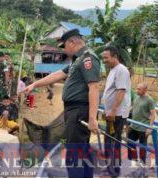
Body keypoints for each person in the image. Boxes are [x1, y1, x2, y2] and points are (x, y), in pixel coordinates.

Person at [25, 29, 100, 178]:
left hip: (79, 111)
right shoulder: (76, 61)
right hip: (73, 111)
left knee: (74, 153)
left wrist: (92, 118)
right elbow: (58, 74)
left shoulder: (88, 58)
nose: (64, 50)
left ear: (72, 42)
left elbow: (94, 87)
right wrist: (35, 84)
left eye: (64, 46)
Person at [102, 46, 131, 176]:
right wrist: (106, 110)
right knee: (108, 140)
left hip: (117, 114)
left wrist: (113, 111)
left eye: (106, 58)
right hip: (112, 113)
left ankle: (115, 169)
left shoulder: (121, 70)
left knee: (114, 141)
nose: (104, 60)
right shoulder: (113, 70)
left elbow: (121, 91)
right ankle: (110, 166)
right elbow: (111, 91)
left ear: (115, 57)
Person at [128, 83, 156, 164]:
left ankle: (142, 162)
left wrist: (150, 127)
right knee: (130, 143)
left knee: (142, 146)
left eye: (139, 89)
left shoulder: (149, 100)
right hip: (133, 125)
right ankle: (133, 160)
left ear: (145, 90)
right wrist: (126, 113)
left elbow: (153, 114)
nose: (137, 90)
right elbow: (133, 107)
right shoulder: (136, 97)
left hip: (143, 127)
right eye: (137, 88)